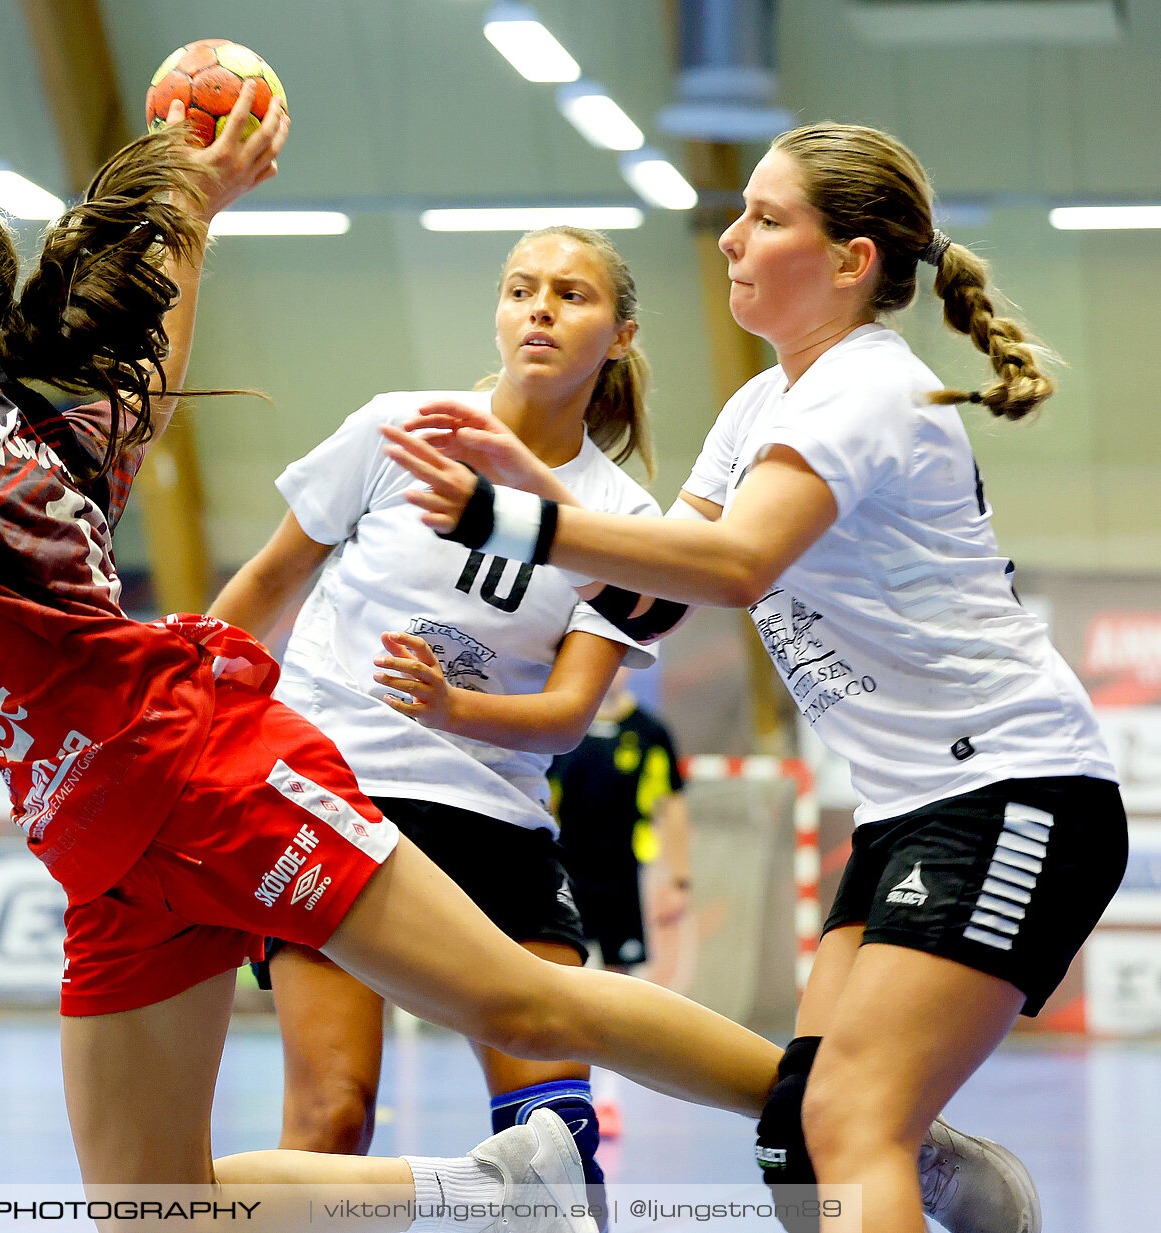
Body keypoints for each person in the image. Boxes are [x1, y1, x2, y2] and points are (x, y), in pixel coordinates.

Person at [0, 88, 792, 1232]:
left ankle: (832, 1114)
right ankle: (484, 1193)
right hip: (103, 837)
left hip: (191, 773)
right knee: (152, 1208)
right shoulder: (42, 422)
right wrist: (195, 203)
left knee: (527, 1006)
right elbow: (153, 366)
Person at [382, 120, 1125, 1233]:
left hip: (1016, 793)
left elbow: (734, 565)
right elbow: (654, 591)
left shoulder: (868, 388)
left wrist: (515, 515)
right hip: (911, 812)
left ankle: (939, 1180)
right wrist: (525, 490)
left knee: (852, 1125)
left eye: (766, 218)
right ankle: (961, 1196)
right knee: (794, 1131)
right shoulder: (760, 403)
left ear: (847, 262)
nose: (730, 238)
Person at [208, 224, 661, 1193]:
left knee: (560, 1139)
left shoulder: (626, 525)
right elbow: (268, 582)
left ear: (620, 335)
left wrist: (452, 707)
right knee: (332, 1116)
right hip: (331, 794)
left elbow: (569, 717)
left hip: (492, 819)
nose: (539, 308)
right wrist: (186, 718)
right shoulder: (396, 428)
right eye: (520, 289)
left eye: (571, 295)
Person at [548, 668, 691, 978]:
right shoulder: (563, 725)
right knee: (563, 972)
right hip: (566, 873)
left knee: (619, 976)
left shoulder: (650, 731)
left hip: (623, 874)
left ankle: (609, 1030)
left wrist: (679, 880)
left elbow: (672, 808)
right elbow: (544, 800)